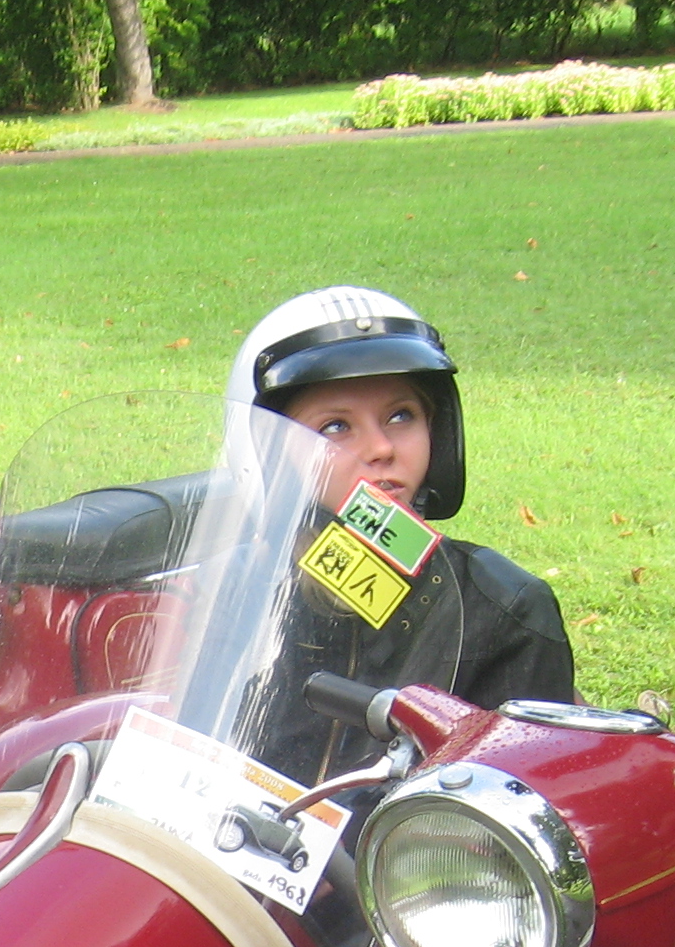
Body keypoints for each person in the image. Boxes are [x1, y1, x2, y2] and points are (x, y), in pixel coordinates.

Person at [229, 284, 578, 779]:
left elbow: (522, 795)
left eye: (400, 416)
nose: (381, 448)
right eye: (335, 427)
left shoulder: (504, 611)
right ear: (268, 452)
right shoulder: (237, 586)